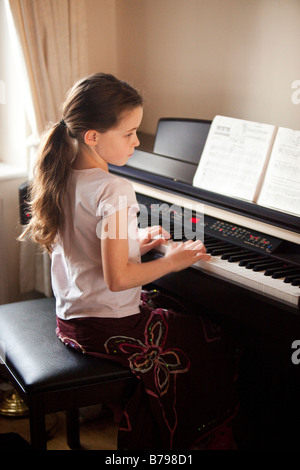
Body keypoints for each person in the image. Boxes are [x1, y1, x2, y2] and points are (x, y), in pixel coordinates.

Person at [20, 73, 239, 450]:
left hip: (73, 319)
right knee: (212, 338)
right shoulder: (113, 188)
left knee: (174, 308)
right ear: (93, 136)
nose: (138, 141)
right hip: (107, 325)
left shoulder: (63, 175)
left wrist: (134, 241)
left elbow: (83, 243)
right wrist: (175, 260)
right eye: (130, 133)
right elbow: (119, 279)